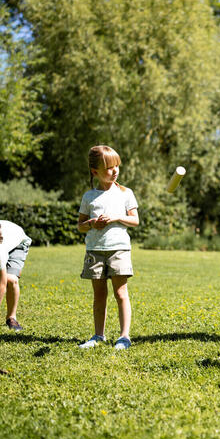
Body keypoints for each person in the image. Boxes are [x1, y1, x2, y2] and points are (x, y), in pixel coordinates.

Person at [77, 145, 139, 351]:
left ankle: (124, 337)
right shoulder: (89, 197)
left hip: (119, 249)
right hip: (95, 251)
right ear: (95, 172)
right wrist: (92, 224)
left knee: (121, 293)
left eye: (116, 166)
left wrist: (116, 218)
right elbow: (80, 226)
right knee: (99, 295)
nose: (115, 171)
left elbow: (135, 220)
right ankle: (98, 335)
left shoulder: (125, 193)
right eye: (109, 168)